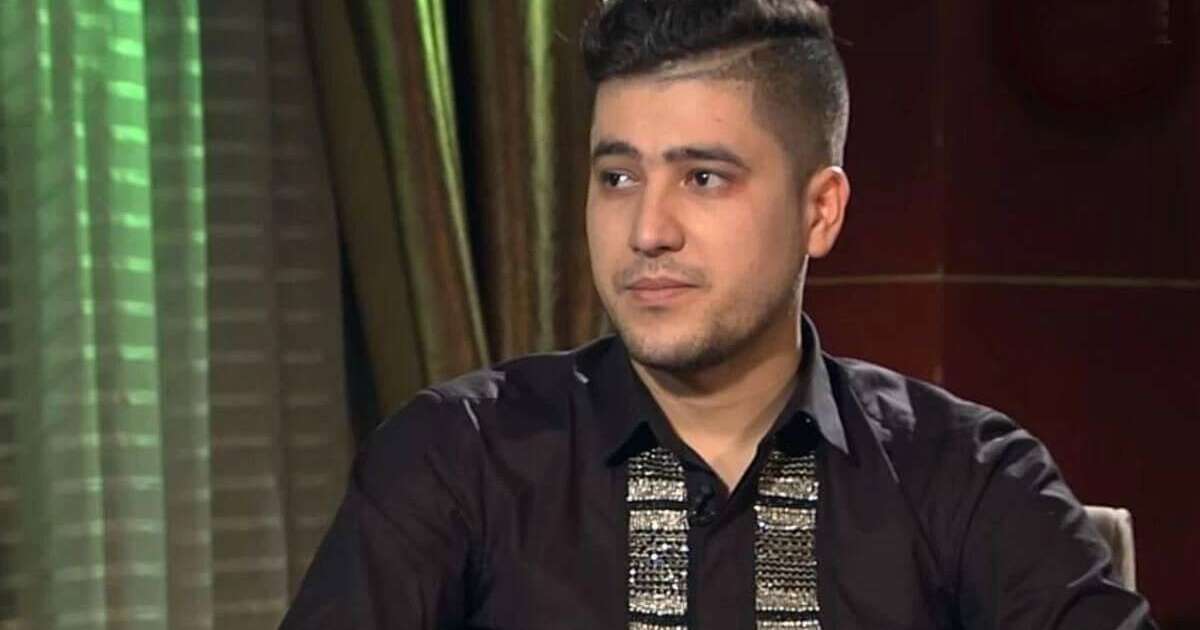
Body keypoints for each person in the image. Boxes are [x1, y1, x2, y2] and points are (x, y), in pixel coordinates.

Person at [281, 1, 1157, 628]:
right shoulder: (456, 458)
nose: (647, 230)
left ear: (820, 211)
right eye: (617, 176)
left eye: (703, 177)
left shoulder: (967, 475)